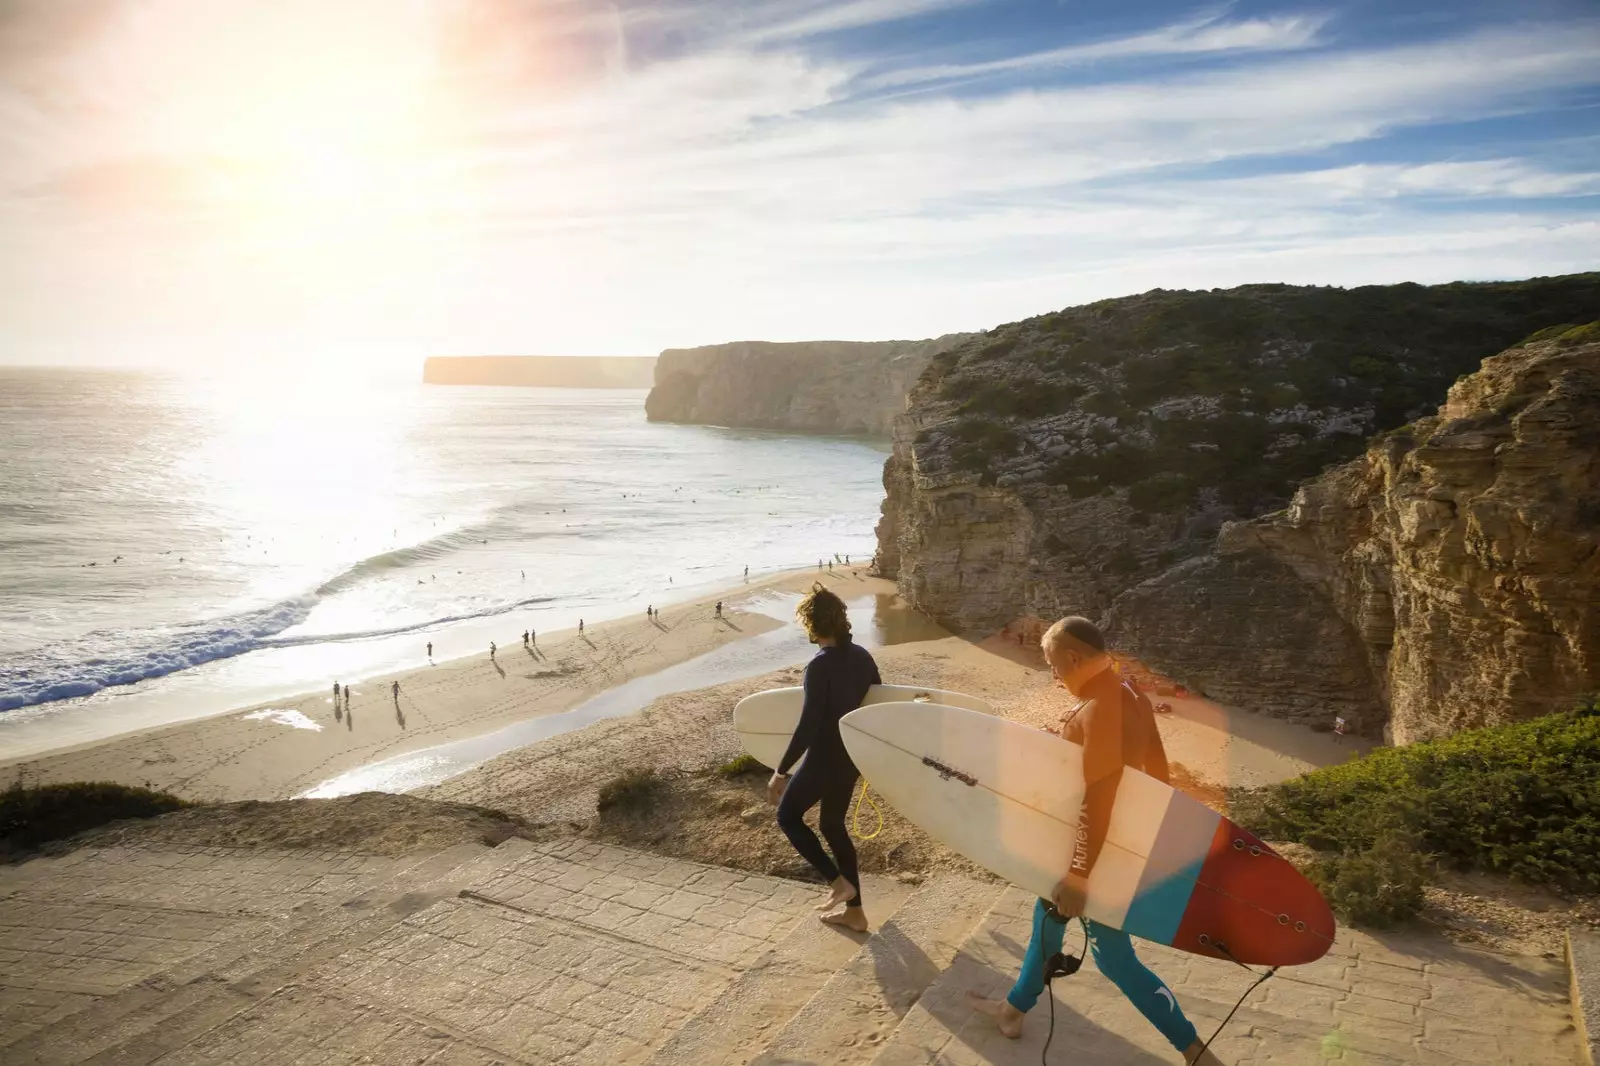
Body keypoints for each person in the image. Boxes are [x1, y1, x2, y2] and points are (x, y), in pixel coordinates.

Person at [968, 616, 1218, 1065]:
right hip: (1115, 846)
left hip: (1096, 855)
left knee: (1114, 960)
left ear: (1074, 658)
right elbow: (1158, 775)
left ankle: (1194, 1050)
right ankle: (1013, 1010)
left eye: (1053, 665)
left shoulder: (1101, 705)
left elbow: (1099, 794)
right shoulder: (1128, 693)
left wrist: (1080, 873)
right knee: (1047, 924)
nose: (1053, 674)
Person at [767, 584, 881, 933]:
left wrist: (781, 771)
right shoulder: (862, 656)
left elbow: (808, 725)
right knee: (832, 825)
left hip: (823, 758)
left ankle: (838, 883)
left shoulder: (819, 666)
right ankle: (855, 913)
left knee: (788, 816)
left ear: (812, 625)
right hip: (850, 757)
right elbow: (878, 704)